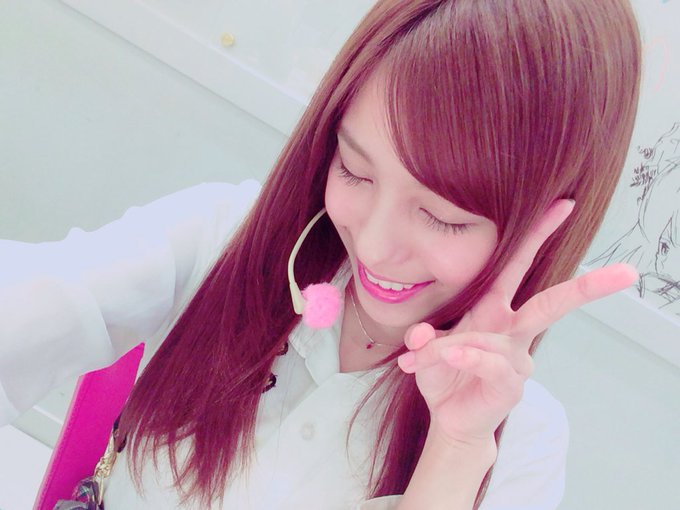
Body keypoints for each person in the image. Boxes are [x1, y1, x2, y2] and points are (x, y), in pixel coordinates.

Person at [0, 0, 642, 508]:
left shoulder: (521, 441)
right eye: (355, 170)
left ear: (542, 222)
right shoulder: (222, 237)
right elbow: (34, 305)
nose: (375, 245)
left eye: (443, 217)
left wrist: (454, 447)